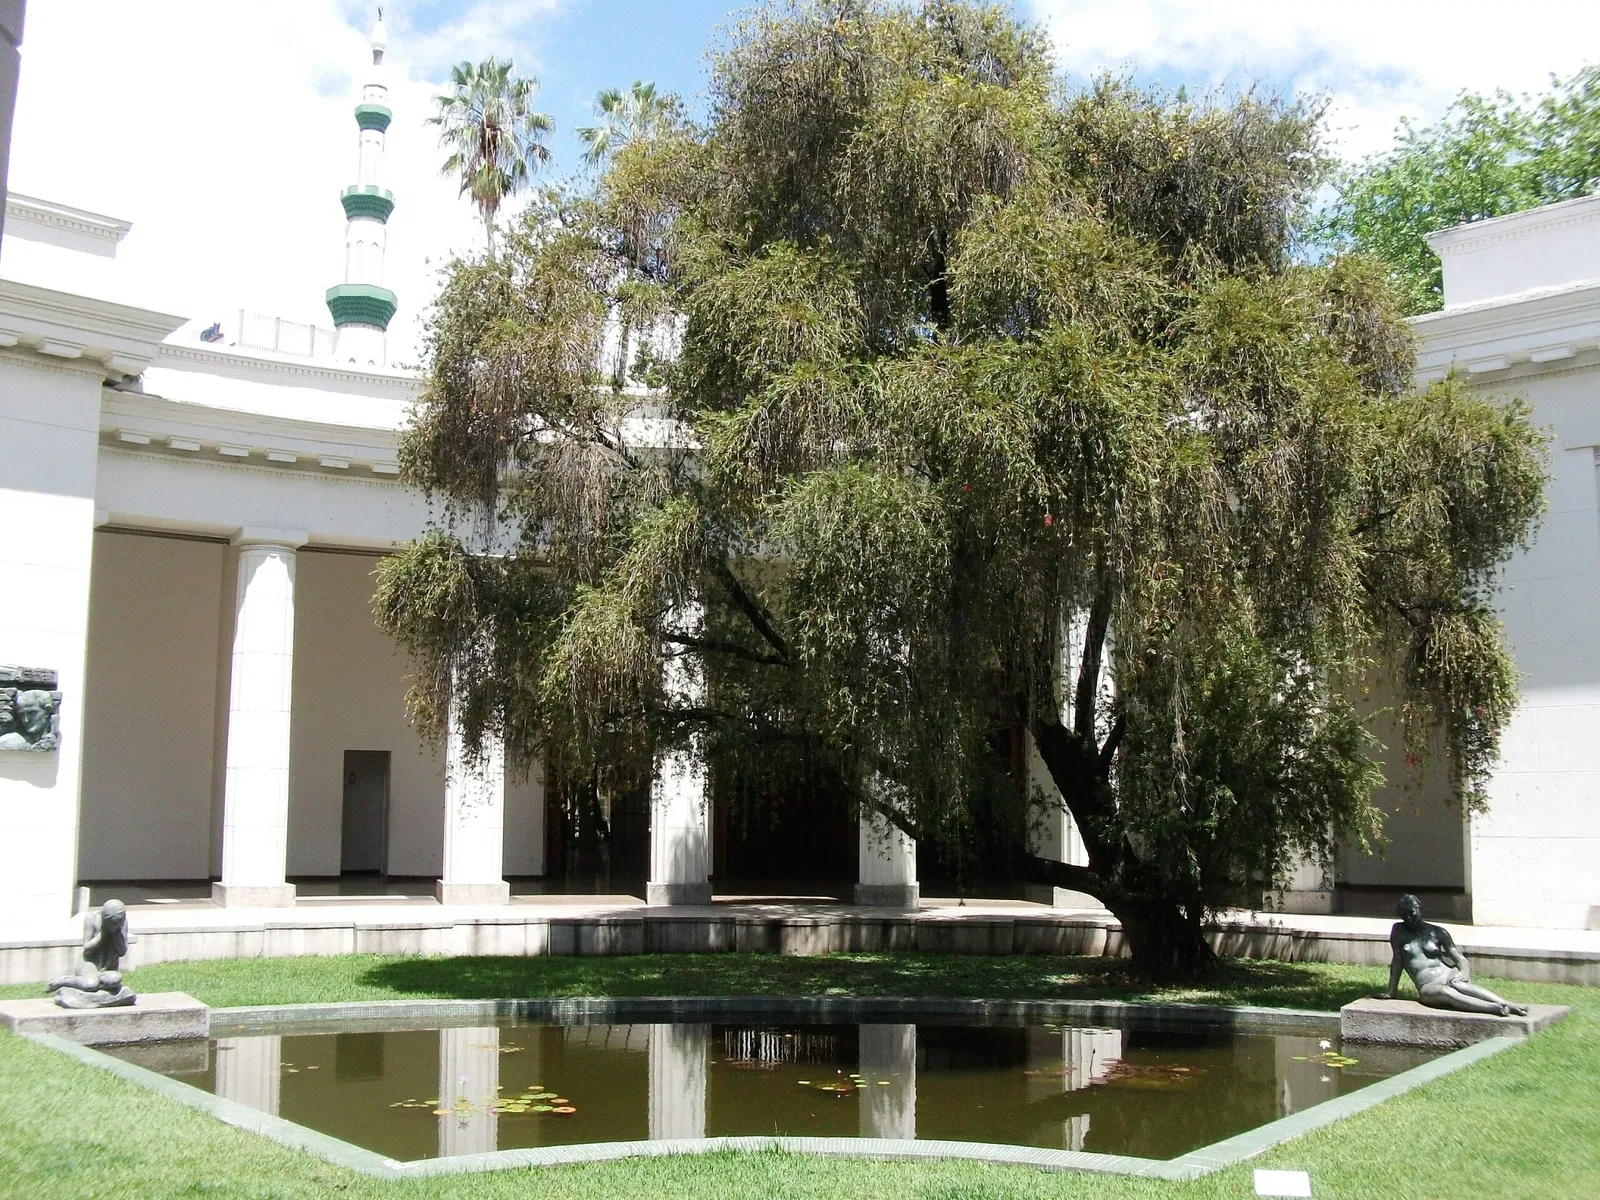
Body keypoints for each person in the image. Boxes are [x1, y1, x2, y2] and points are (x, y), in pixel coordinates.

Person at [1386, 893, 1527, 1016]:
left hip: (1448, 974)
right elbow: (1397, 962)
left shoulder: (1438, 932)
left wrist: (1464, 972)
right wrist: (1391, 992)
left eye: (1413, 913)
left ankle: (1508, 1004)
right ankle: (1493, 1008)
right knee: (1446, 992)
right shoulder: (1399, 931)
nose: (1410, 918)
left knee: (1462, 986)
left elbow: (1460, 959)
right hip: (1427, 984)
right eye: (1405, 915)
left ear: (1420, 910)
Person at [46, 900, 136, 1008]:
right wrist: (103, 933)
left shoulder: (122, 923)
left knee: (115, 979)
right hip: (88, 964)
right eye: (112, 923)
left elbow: (122, 951)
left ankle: (93, 981)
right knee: (90, 984)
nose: (118, 924)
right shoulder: (91, 919)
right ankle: (64, 981)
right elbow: (87, 948)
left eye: (119, 922)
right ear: (104, 918)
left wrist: (116, 932)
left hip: (107, 969)